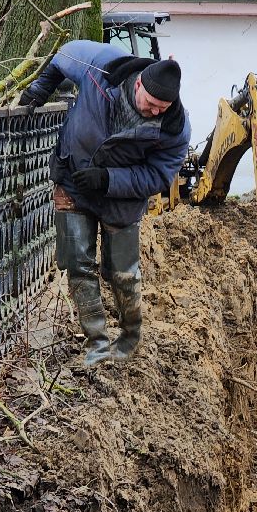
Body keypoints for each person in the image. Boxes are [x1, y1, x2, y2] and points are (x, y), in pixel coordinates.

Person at [19, 40, 190, 366]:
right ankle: (96, 344)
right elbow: (64, 54)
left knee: (122, 273)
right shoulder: (103, 68)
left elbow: (158, 177)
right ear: (138, 83)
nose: (154, 111)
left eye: (162, 108)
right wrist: (42, 87)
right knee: (78, 263)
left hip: (121, 202)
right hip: (73, 181)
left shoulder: (175, 130)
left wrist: (108, 179)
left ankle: (130, 336)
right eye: (151, 103)